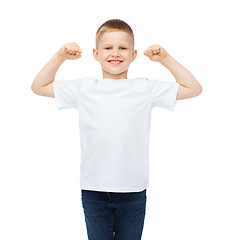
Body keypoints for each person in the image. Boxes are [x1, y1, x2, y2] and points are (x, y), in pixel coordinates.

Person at [31, 19, 202, 240]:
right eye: (108, 47)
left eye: (123, 48)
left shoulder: (145, 88)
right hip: (94, 190)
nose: (116, 53)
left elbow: (194, 88)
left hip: (133, 191)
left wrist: (165, 59)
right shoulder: (84, 88)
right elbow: (38, 86)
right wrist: (60, 56)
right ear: (96, 53)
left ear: (133, 54)